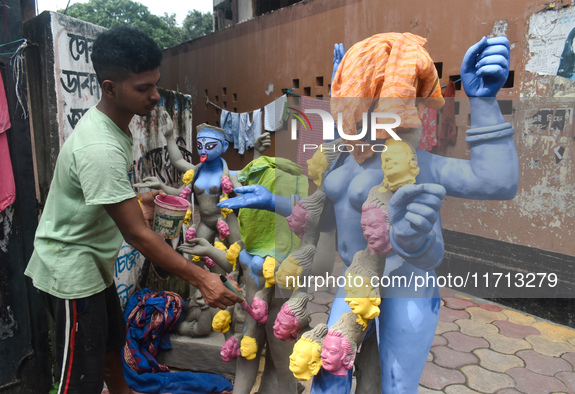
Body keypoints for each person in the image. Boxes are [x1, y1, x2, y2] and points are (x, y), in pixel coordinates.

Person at [219, 33, 518, 393]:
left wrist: (484, 101)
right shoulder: (343, 158)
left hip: (407, 288)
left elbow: (495, 182)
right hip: (355, 280)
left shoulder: (415, 165)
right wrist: (271, 200)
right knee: (329, 374)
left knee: (396, 384)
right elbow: (326, 218)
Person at [24, 26, 241, 394]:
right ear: (109, 87)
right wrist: (203, 279)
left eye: (156, 84)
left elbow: (115, 207)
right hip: (70, 274)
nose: (155, 96)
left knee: (112, 353)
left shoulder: (113, 129)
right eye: (144, 89)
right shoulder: (100, 147)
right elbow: (137, 235)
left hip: (93, 266)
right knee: (80, 380)